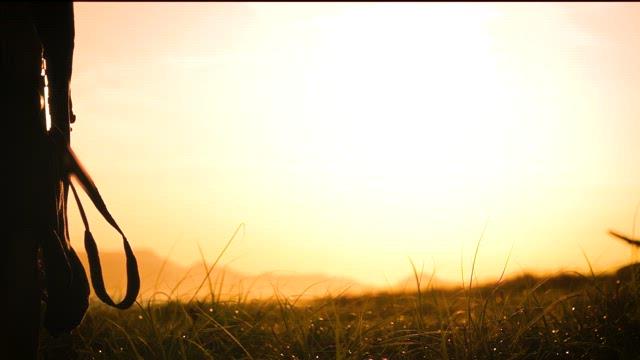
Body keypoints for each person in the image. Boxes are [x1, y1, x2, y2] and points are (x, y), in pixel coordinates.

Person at [0, 2, 75, 358]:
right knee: (22, 245)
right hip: (24, 125)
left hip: (25, 122)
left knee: (21, 244)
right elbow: (59, 47)